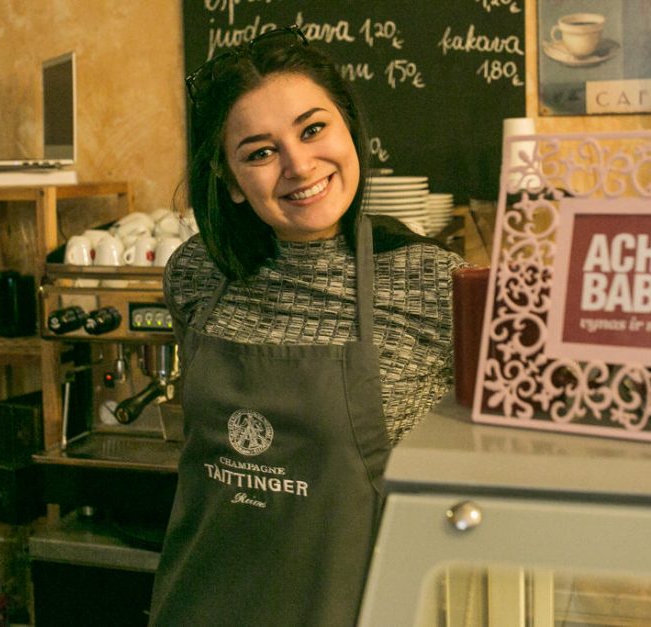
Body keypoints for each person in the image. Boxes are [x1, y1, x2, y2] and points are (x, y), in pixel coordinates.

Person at [148, 26, 467, 626]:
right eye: (260, 152)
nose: (298, 165)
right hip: (202, 607)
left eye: (313, 129)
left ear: (350, 129)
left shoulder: (435, 284)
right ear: (231, 179)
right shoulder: (195, 274)